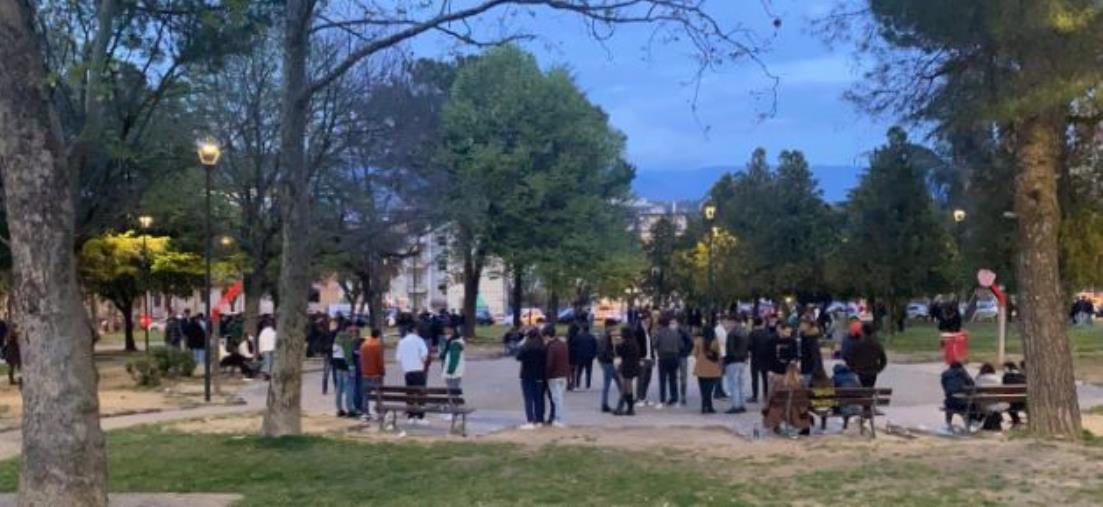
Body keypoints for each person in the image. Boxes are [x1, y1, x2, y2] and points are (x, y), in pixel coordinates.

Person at [762, 362, 812, 435]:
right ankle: (804, 428)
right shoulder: (800, 384)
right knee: (802, 408)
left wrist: (766, 406)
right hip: (796, 412)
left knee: (773, 407)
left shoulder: (780, 382)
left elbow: (771, 396)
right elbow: (805, 400)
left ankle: (776, 427)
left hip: (780, 410)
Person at [396, 320, 429, 425]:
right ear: (414, 330)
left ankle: (410, 415)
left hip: (408, 371)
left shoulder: (402, 341)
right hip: (418, 370)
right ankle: (420, 416)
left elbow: (398, 358)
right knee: (420, 394)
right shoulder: (419, 340)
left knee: (410, 393)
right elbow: (425, 355)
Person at [517, 329, 547, 429]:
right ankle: (539, 420)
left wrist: (522, 342)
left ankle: (530, 420)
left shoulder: (526, 347)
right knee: (538, 398)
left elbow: (518, 357)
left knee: (528, 399)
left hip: (526, 375)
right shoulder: (542, 348)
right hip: (539, 375)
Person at [844, 323, 888, 387]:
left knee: (861, 390)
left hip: (860, 372)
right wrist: (878, 369)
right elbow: (883, 360)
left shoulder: (857, 344)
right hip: (872, 373)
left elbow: (849, 358)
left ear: (862, 331)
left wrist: (854, 369)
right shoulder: (877, 345)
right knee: (869, 389)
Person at [653, 313, 682, 408]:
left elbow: (654, 344)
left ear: (660, 324)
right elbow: (681, 345)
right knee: (673, 379)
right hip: (674, 357)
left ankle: (662, 400)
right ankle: (675, 399)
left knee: (662, 380)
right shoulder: (675, 332)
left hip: (663, 358)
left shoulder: (659, 333)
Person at [692, 327, 723, 414]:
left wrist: (701, 358)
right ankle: (709, 406)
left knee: (703, 389)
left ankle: (703, 406)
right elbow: (720, 355)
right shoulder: (717, 342)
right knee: (709, 389)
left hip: (701, 368)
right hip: (713, 368)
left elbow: (694, 354)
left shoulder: (698, 340)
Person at [723, 314, 749, 414]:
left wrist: (726, 361)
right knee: (740, 384)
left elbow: (730, 349)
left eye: (728, 322)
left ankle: (735, 405)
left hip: (733, 361)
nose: (727, 324)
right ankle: (742, 405)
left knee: (733, 384)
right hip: (742, 361)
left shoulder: (731, 334)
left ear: (732, 322)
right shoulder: (744, 332)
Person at [544, 324, 569, 427]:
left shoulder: (551, 347)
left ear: (547, 335)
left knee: (556, 399)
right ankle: (558, 418)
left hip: (554, 376)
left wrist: (546, 375)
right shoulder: (563, 344)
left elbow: (549, 363)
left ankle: (558, 419)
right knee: (560, 398)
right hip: (563, 374)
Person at [439, 326, 465, 421]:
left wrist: (450, 370)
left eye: (448, 332)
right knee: (453, 392)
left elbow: (454, 358)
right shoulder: (452, 342)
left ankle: (453, 412)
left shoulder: (455, 344)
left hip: (453, 373)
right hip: (454, 372)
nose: (446, 334)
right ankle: (453, 411)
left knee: (452, 392)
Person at [614, 325, 641, 416]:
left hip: (627, 367)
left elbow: (620, 353)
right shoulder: (634, 342)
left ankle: (629, 408)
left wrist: (617, 345)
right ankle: (625, 408)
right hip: (632, 366)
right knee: (626, 388)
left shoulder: (626, 343)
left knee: (627, 388)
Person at [359, 328, 385, 422]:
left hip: (365, 373)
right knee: (378, 394)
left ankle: (365, 413)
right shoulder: (377, 345)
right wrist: (382, 371)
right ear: (378, 335)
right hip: (375, 373)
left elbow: (361, 359)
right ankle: (379, 412)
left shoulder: (364, 345)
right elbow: (380, 361)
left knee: (366, 394)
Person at [941, 361, 975, 428]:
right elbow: (972, 385)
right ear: (960, 367)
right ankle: (967, 425)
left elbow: (945, 388)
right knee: (968, 405)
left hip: (950, 403)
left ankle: (948, 424)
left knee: (949, 402)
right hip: (963, 403)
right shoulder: (963, 374)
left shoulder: (945, 375)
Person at [975, 362, 1008, 430]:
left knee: (989, 406)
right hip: (997, 403)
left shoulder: (979, 378)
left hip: (983, 404)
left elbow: (975, 391)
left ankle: (989, 423)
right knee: (995, 407)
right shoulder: (998, 378)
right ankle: (995, 422)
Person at [596, 319, 620, 413]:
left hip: (603, 361)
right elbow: (606, 350)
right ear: (609, 326)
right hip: (607, 361)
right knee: (607, 383)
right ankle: (604, 404)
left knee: (618, 379)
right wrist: (613, 356)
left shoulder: (602, 335)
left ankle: (625, 397)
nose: (615, 328)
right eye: (614, 326)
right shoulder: (608, 336)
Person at [331, 324, 354, 417]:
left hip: (336, 362)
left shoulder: (336, 338)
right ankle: (350, 409)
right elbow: (348, 354)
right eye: (351, 329)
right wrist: (351, 366)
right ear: (347, 329)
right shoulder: (346, 339)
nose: (352, 332)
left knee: (339, 387)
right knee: (348, 386)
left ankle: (339, 408)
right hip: (344, 362)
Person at [748, 317, 772, 403]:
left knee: (754, 378)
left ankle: (755, 396)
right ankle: (765, 395)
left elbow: (749, 346)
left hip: (755, 358)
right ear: (762, 323)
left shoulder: (752, 333)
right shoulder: (767, 333)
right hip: (765, 358)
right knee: (765, 378)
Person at [634, 312, 655, 407]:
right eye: (646, 321)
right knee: (641, 379)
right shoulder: (638, 332)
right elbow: (636, 347)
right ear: (641, 321)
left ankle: (643, 396)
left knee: (647, 379)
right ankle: (639, 398)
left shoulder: (649, 332)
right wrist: (638, 359)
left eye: (649, 321)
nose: (648, 323)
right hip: (642, 359)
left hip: (649, 358)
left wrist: (653, 357)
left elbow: (651, 346)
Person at [798, 319, 824, 385]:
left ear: (808, 326)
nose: (800, 326)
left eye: (802, 324)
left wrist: (815, 372)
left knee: (808, 390)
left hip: (810, 370)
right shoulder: (805, 337)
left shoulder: (811, 339)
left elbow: (815, 356)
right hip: (807, 369)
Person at [573, 323, 597, 390]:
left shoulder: (578, 336)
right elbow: (595, 347)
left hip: (580, 356)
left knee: (579, 371)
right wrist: (593, 355)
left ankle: (577, 385)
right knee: (588, 371)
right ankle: (588, 385)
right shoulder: (592, 337)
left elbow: (574, 345)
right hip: (589, 356)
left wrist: (576, 353)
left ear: (582, 329)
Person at [1002, 361, 1027, 427]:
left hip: (1012, 402)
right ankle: (1017, 420)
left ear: (1007, 368)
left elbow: (1004, 387)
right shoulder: (1022, 376)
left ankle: (1016, 420)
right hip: (1024, 401)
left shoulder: (1006, 376)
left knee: (1009, 402)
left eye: (1004, 368)